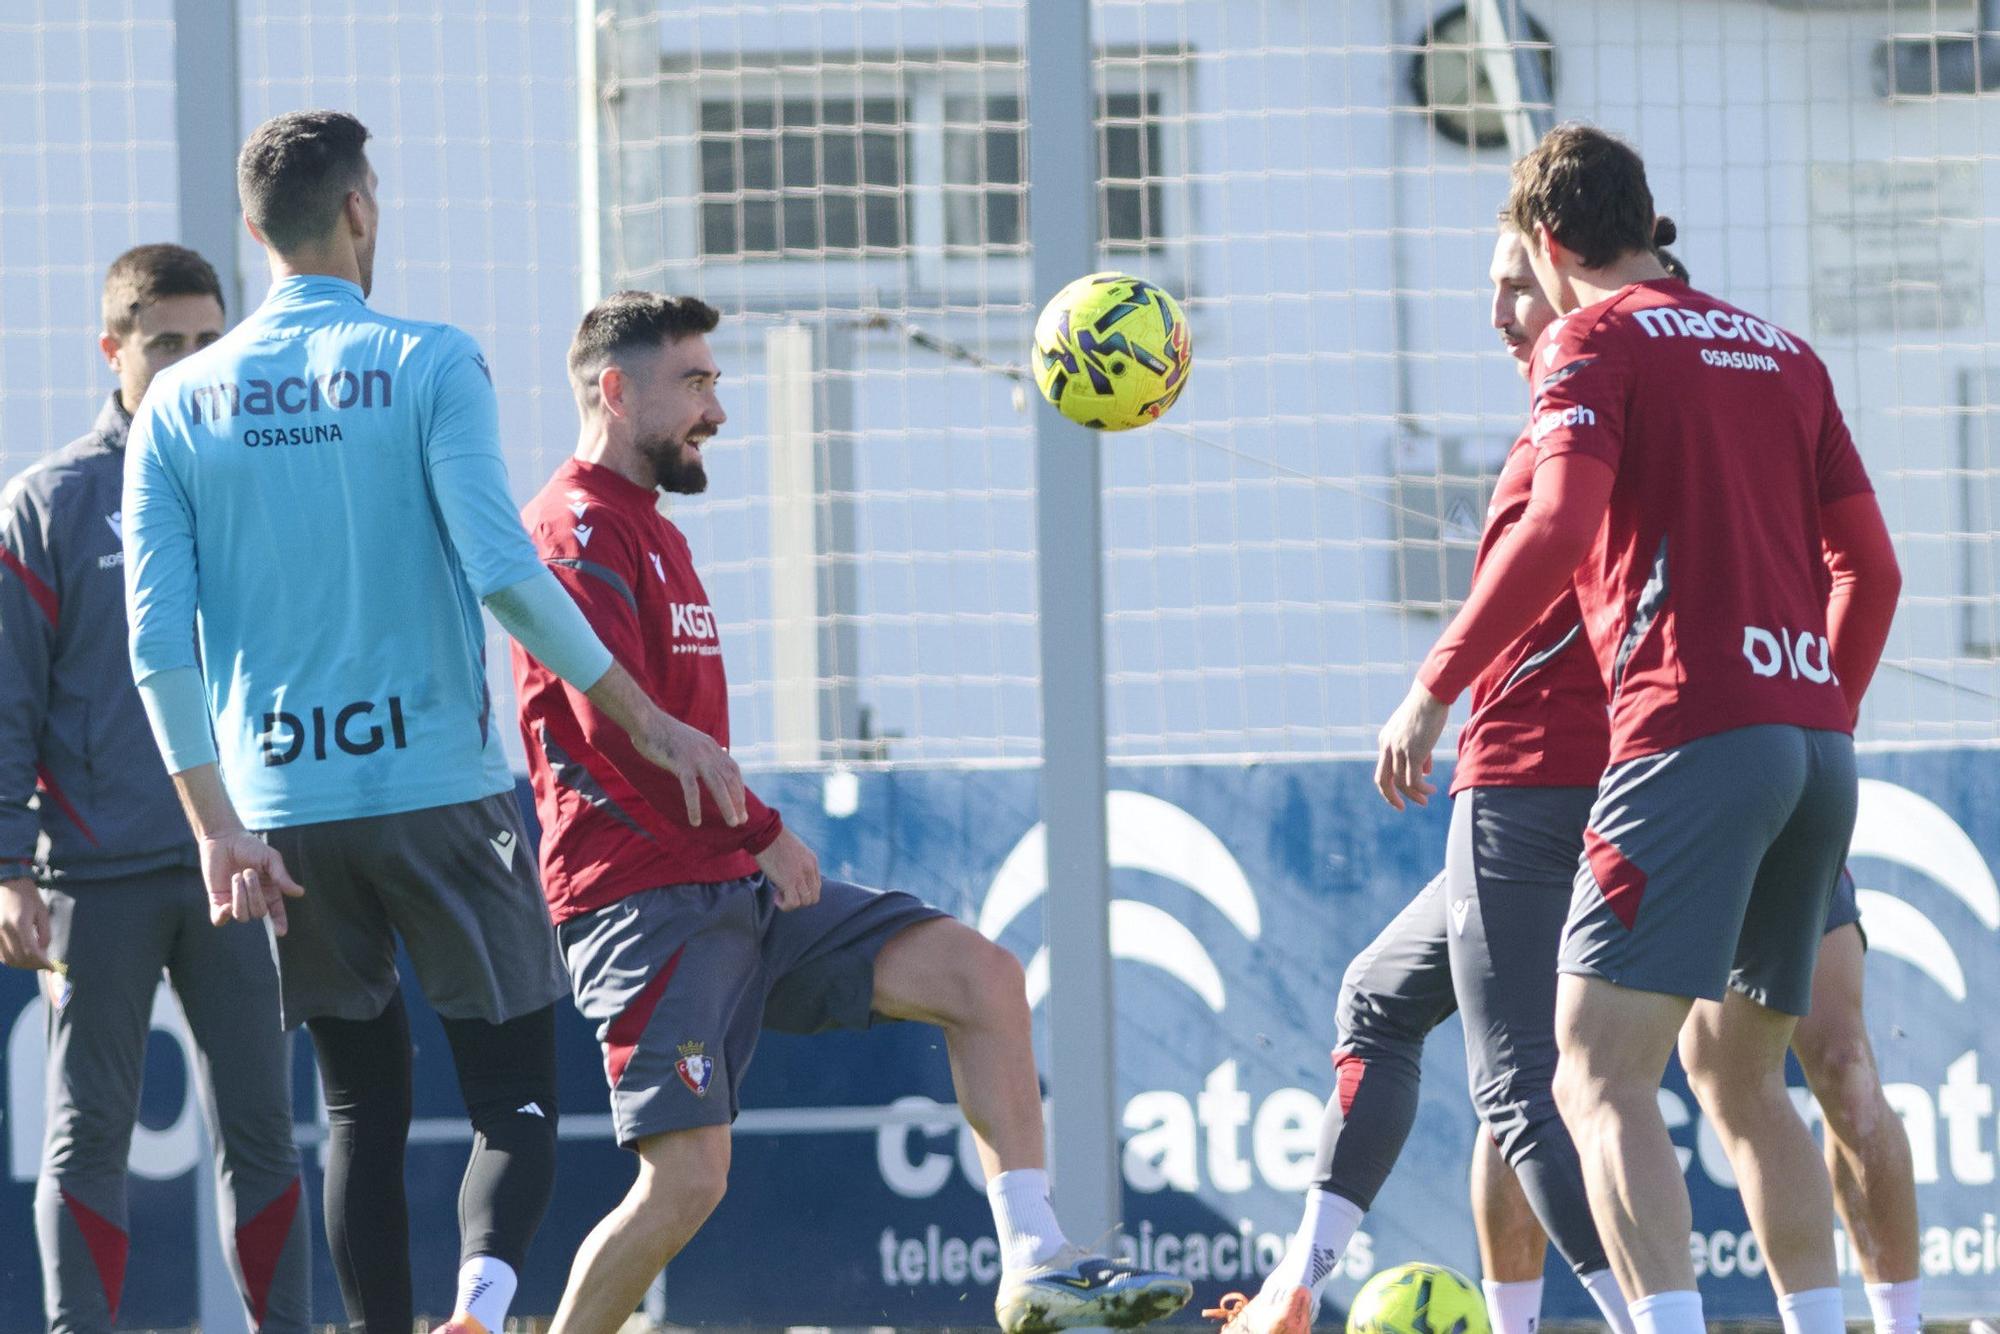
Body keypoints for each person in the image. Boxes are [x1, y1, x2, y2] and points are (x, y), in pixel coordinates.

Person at [123, 111, 743, 1334]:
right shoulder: (429, 360)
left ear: (254, 233)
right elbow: (506, 572)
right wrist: (644, 718)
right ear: (362, 208)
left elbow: (156, 643)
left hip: (286, 813)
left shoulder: (180, 401)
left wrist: (214, 825)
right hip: (442, 792)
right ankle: (481, 1302)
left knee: (357, 1107)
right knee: (510, 1093)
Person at [511, 291, 1194, 1334]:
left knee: (982, 977)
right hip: (643, 901)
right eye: (694, 383)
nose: (716, 411)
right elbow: (620, 735)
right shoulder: (569, 527)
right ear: (614, 389)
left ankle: (1035, 1262)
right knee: (687, 1179)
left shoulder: (653, 526)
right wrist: (761, 831)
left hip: (733, 881)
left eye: (715, 383)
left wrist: (747, 846)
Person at [1375, 123, 1901, 1334]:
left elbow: (1554, 528)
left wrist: (1433, 685)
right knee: (1749, 1077)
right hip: (1813, 743)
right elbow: (1868, 571)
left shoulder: (1590, 341)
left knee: (1592, 1071)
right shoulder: (1780, 350)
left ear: (1550, 245)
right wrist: (1810, 705)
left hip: (1686, 734)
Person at [1208, 222, 1634, 1334]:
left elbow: (1553, 547)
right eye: (1487, 290)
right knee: (1385, 998)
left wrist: (1433, 686)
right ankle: (1303, 1280)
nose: (1496, 314)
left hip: (1540, 776)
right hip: (1621, 774)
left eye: (1513, 289)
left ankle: (1649, 1319)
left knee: (1523, 1091)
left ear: (1563, 274)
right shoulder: (1617, 401)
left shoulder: (1585, 406)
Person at [0, 244, 309, 1334]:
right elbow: (6, 704)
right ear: (113, 351)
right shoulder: (47, 504)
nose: (188, 362)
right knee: (88, 1133)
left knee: (266, 1128)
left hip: (239, 865)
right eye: (164, 342)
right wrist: (6, 864)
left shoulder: (266, 487)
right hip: (95, 873)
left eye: (207, 342)